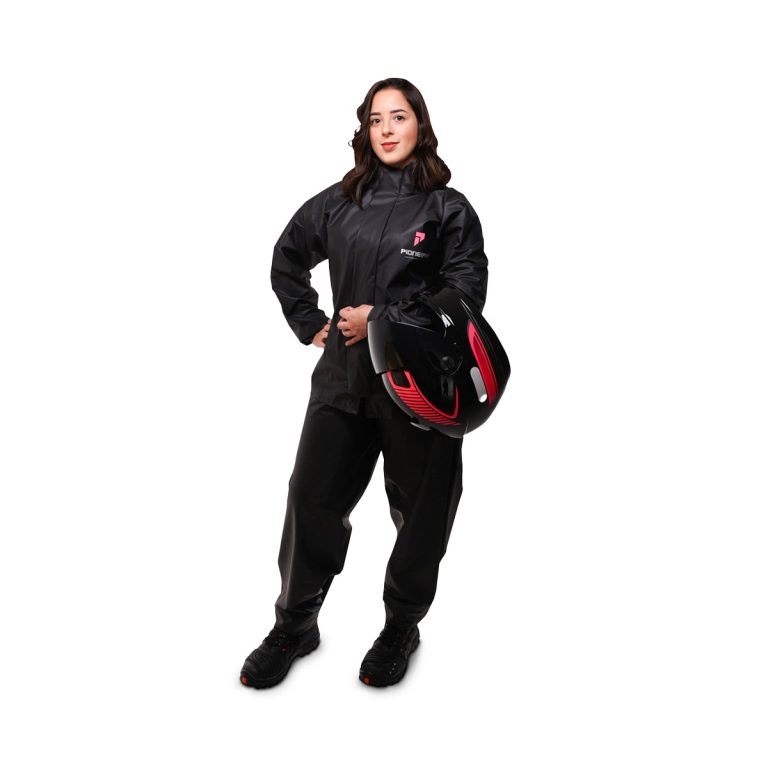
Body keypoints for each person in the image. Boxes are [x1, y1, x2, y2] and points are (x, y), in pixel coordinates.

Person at [240, 77, 489, 689]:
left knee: (421, 514)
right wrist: (311, 324)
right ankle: (295, 623)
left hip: (419, 390)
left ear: (419, 125)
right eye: (375, 119)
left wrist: (383, 319)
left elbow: (464, 297)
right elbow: (286, 257)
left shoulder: (448, 210)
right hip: (342, 383)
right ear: (364, 130)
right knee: (310, 502)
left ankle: (401, 626)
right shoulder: (339, 201)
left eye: (398, 116)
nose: (386, 129)